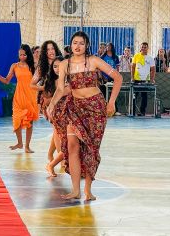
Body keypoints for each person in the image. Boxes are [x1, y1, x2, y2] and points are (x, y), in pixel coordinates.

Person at [47, 31, 122, 201]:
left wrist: (111, 103)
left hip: (95, 109)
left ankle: (88, 189)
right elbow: (61, 89)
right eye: (75, 42)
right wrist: (51, 104)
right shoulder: (65, 64)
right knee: (72, 146)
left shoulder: (94, 61)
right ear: (71, 45)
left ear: (86, 45)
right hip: (74, 108)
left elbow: (117, 78)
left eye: (81, 43)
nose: (77, 46)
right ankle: (75, 190)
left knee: (91, 149)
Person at [0, 44, 38, 153]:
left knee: (29, 121)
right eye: (20, 55)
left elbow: (39, 78)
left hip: (31, 95)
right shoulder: (14, 66)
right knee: (17, 118)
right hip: (18, 95)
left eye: (24, 55)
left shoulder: (33, 66)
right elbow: (7, 80)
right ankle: (19, 143)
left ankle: (27, 146)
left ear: (28, 55)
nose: (22, 57)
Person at [30, 40, 62, 161]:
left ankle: (50, 154)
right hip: (48, 101)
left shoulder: (61, 62)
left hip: (61, 99)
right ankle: (61, 159)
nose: (51, 51)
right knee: (57, 129)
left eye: (52, 48)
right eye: (48, 49)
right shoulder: (41, 67)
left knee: (58, 129)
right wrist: (43, 87)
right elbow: (31, 85)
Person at [131, 42, 156, 116]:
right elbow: (132, 67)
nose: (143, 48)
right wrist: (132, 78)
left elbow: (153, 70)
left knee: (144, 96)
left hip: (146, 80)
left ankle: (142, 112)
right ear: (140, 48)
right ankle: (132, 111)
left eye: (145, 47)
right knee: (134, 95)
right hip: (136, 79)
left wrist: (152, 79)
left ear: (147, 48)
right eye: (142, 47)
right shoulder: (136, 56)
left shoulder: (150, 58)